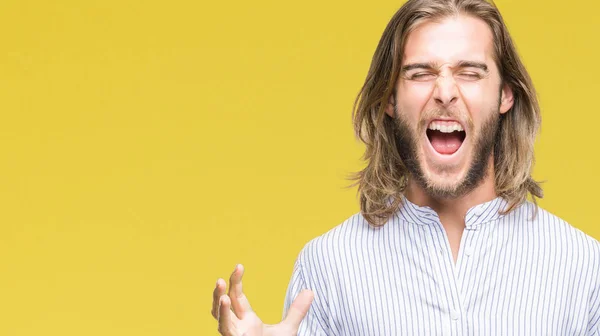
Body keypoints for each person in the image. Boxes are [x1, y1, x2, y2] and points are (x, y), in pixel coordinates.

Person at [211, 0, 600, 334]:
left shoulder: (582, 266)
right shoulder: (329, 267)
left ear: (505, 95)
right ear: (390, 100)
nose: (445, 92)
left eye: (469, 72)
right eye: (420, 73)